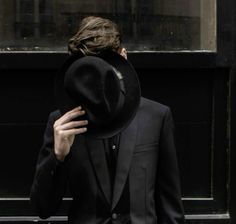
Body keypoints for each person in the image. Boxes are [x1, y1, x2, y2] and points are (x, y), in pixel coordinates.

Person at [30, 16, 185, 224]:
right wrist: (58, 158)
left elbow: (170, 206)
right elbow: (43, 208)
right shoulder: (62, 124)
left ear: (124, 56)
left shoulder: (156, 117)